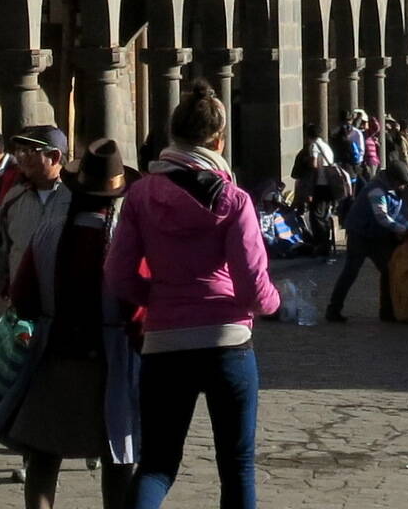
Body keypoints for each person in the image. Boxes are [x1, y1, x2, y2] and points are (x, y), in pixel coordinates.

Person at [105, 86, 279, 509]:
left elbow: (117, 273)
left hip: (165, 341)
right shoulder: (234, 199)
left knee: (157, 465)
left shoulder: (141, 194)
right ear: (219, 140)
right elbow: (253, 284)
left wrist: (157, 298)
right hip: (227, 341)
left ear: (173, 135)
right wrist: (273, 304)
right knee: (237, 466)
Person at [0, 137, 138, 509]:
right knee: (118, 459)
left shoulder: (49, 231)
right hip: (113, 360)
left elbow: (23, 298)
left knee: (43, 454)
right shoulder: (126, 239)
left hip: (54, 354)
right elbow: (138, 307)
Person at [0, 125, 69, 316]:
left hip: (66, 306)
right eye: (19, 151)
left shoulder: (75, 199)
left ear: (54, 156)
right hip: (22, 305)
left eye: (29, 151)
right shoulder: (13, 198)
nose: (20, 157)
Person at [325, 166, 408, 322]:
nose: (403, 187)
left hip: (376, 236)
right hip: (360, 235)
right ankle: (334, 309)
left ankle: (387, 311)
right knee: (350, 272)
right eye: (401, 183)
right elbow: (382, 216)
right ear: (394, 180)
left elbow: (400, 213)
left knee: (388, 270)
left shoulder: (391, 192)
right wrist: (404, 229)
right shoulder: (376, 190)